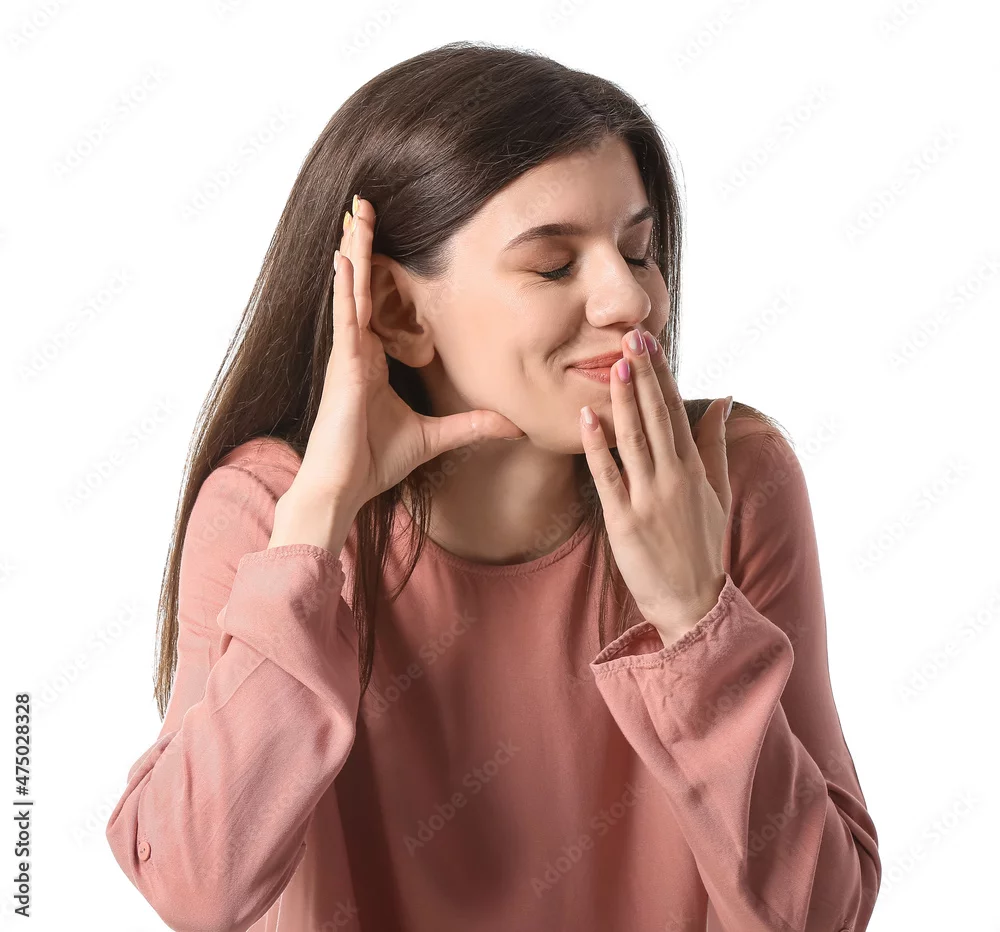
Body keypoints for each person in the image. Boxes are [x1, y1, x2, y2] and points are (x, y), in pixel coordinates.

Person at [105, 41, 881, 932]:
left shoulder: (734, 484)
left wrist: (695, 618)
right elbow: (198, 888)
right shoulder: (270, 513)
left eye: (638, 252)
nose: (629, 301)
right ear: (397, 310)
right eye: (554, 265)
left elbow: (818, 916)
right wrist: (315, 522)